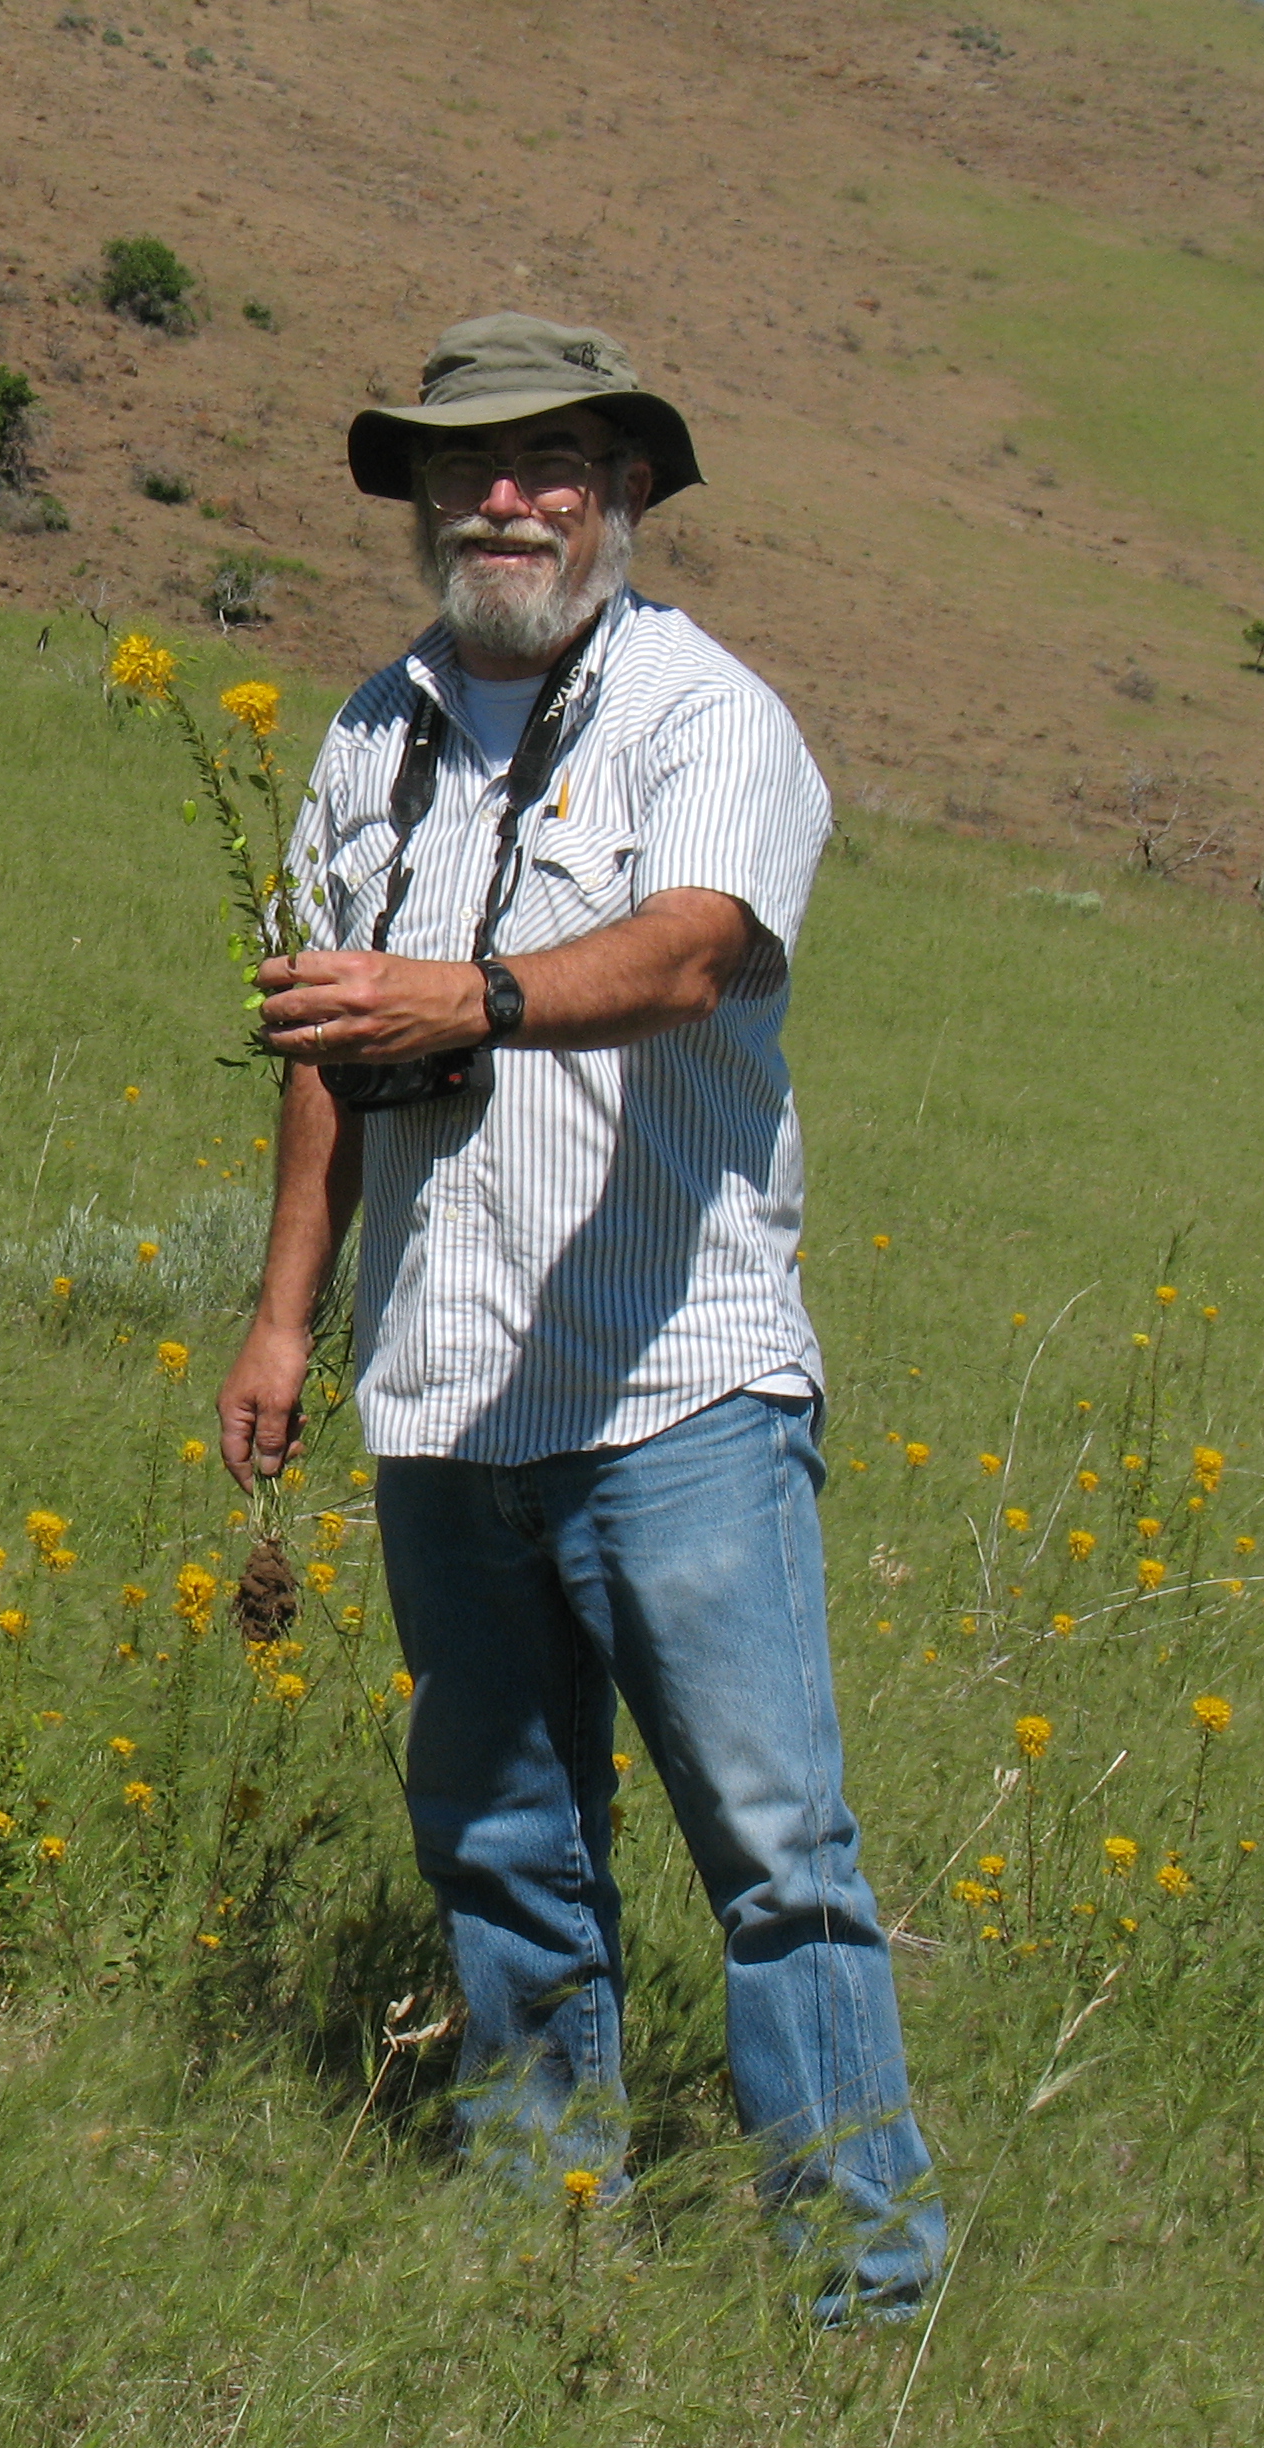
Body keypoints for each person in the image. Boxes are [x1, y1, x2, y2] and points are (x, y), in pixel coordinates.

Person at [212, 313, 945, 2321]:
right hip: (440, 1381)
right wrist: (285, 1322)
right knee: (502, 1833)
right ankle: (547, 2233)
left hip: (671, 1376)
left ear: (621, 492)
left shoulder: (703, 715)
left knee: (776, 1854)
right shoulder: (372, 733)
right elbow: (316, 1036)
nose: (509, 499)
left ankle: (864, 2292)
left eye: (553, 466)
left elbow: (698, 953)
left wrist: (476, 1001)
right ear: (425, 500)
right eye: (471, 469)